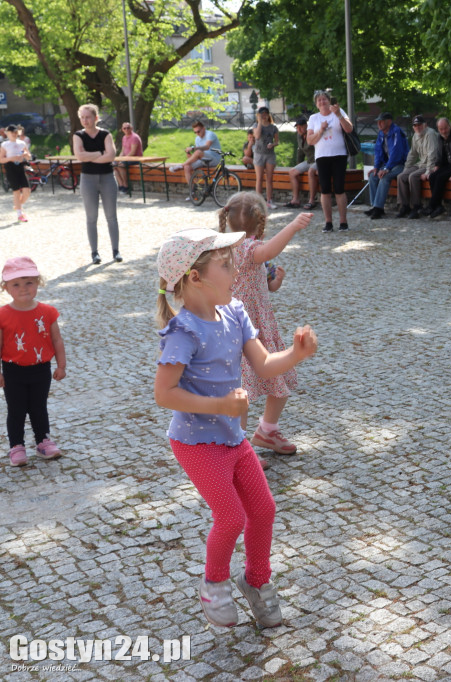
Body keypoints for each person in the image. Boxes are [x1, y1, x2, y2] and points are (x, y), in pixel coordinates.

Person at [154, 227, 318, 628]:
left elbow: (263, 365)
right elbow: (164, 394)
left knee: (263, 509)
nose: (236, 273)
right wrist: (219, 404)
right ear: (196, 278)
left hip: (232, 437)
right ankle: (214, 585)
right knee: (230, 518)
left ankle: (257, 581)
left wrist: (295, 354)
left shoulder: (235, 312)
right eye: (226, 266)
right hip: (196, 442)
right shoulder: (183, 331)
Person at [217, 192, 312, 466]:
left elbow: (265, 283)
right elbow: (269, 251)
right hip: (242, 331)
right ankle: (240, 448)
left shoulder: (232, 247)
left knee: (277, 380)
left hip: (259, 327)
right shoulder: (246, 248)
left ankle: (267, 431)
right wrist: (293, 226)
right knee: (242, 391)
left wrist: (275, 282)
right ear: (261, 223)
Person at [0, 257, 66, 466]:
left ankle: (43, 441)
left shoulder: (48, 312)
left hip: (41, 369)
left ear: (38, 282)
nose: (23, 288)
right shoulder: (2, 315)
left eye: (29, 282)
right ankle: (16, 446)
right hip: (13, 370)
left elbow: (56, 339)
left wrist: (61, 365)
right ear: (6, 287)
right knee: (16, 408)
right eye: (16, 284)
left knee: (39, 407)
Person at [72, 104, 121, 265]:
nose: (85, 120)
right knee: (91, 217)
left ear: (96, 118)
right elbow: (79, 155)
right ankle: (95, 252)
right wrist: (100, 153)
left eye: (88, 117)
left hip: (107, 177)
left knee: (111, 216)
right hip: (88, 179)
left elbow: (111, 155)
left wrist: (90, 156)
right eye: (83, 117)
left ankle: (116, 250)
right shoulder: (78, 135)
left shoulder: (105, 134)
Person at [306, 90, 353, 232]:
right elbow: (309, 140)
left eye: (324, 99)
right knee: (325, 190)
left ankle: (343, 222)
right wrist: (320, 130)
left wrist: (338, 114)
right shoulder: (314, 118)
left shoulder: (339, 112)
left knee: (339, 188)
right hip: (322, 156)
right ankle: (328, 222)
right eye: (319, 100)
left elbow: (349, 129)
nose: (322, 102)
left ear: (329, 100)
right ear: (316, 104)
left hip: (339, 155)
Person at [365, 112, 408, 219]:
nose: (379, 124)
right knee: (373, 176)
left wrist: (387, 169)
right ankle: (375, 206)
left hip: (400, 164)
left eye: (381, 121)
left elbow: (396, 153)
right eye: (378, 121)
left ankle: (378, 209)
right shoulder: (381, 133)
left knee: (384, 177)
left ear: (389, 122)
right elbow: (378, 151)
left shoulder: (396, 132)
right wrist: (376, 167)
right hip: (388, 164)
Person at [396, 115, 440, 219]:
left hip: (431, 165)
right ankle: (404, 206)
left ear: (425, 125)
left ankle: (416, 206)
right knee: (401, 176)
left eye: (419, 125)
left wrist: (428, 172)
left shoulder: (430, 134)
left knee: (413, 176)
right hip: (421, 163)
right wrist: (406, 168)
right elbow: (412, 154)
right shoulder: (415, 136)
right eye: (415, 125)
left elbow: (432, 155)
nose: (417, 127)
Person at [424, 117, 451, 219]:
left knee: (440, 178)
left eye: (445, 128)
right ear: (438, 129)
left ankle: (432, 205)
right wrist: (437, 166)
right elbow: (439, 154)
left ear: (450, 126)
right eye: (441, 129)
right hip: (448, 165)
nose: (444, 131)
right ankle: (438, 206)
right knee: (432, 176)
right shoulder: (440, 138)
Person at [286, 117, 319, 209]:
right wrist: (298, 165)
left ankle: (312, 201)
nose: (299, 129)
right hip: (309, 161)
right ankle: (295, 199)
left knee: (311, 171)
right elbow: (300, 151)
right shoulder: (299, 136)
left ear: (306, 126)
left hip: (318, 160)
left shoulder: (312, 133)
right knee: (292, 172)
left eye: (301, 127)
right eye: (297, 127)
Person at [1, 125, 32, 222]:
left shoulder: (22, 143)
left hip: (20, 167)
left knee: (27, 191)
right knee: (16, 191)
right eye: (12, 132)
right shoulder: (5, 144)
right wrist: (11, 158)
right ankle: (20, 214)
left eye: (15, 132)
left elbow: (29, 156)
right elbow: (1, 159)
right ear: (7, 133)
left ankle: (19, 205)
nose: (14, 134)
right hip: (10, 167)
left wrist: (26, 155)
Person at [253, 107, 280, 209]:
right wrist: (259, 122)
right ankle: (258, 202)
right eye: (261, 114)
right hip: (259, 154)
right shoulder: (256, 125)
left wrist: (273, 144)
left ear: (268, 115)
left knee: (269, 179)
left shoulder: (273, 128)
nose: (264, 115)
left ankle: (269, 200)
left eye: (265, 114)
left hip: (270, 154)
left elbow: (277, 141)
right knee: (259, 178)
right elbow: (257, 136)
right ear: (258, 115)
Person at [114, 121, 144, 194]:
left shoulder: (134, 137)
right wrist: (119, 158)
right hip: (127, 158)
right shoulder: (124, 137)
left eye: (128, 128)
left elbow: (133, 152)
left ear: (131, 128)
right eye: (124, 128)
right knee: (114, 164)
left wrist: (123, 159)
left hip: (136, 158)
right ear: (122, 129)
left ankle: (126, 186)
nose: (126, 129)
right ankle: (121, 185)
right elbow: (123, 151)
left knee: (120, 165)